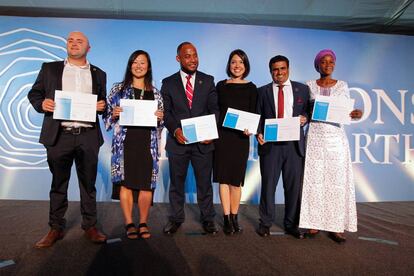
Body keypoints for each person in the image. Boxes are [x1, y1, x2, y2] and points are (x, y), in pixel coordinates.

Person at [28, 31, 107, 248]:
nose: (74, 43)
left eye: (79, 41)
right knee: (58, 183)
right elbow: (34, 94)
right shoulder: (50, 68)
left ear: (88, 48)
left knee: (88, 184)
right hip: (59, 135)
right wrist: (41, 103)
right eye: (70, 40)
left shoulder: (99, 73)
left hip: (88, 136)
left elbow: (102, 103)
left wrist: (102, 106)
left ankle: (90, 226)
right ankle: (55, 228)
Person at [299, 49, 361, 243]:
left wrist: (356, 114)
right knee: (314, 181)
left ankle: (335, 227)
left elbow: (348, 112)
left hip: (335, 138)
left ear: (334, 64)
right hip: (315, 137)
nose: (327, 65)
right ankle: (313, 224)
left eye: (331, 62)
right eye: (323, 62)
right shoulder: (309, 85)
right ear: (317, 65)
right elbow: (307, 112)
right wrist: (303, 118)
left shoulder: (343, 85)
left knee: (336, 182)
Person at [103, 50, 164, 239]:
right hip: (125, 144)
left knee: (146, 185)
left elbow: (161, 121)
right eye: (135, 62)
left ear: (148, 67)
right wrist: (113, 113)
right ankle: (129, 222)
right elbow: (106, 116)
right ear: (130, 65)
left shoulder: (155, 93)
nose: (139, 66)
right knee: (126, 184)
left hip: (148, 144)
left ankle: (143, 222)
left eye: (143, 63)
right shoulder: (118, 89)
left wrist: (160, 118)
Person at [162, 42, 219, 235]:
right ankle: (176, 218)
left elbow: (215, 110)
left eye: (195, 55)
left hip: (203, 144)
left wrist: (211, 132)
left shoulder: (208, 80)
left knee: (204, 183)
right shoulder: (168, 83)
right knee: (177, 183)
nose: (192, 59)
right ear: (178, 58)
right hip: (179, 142)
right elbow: (166, 113)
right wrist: (175, 129)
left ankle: (208, 218)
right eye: (187, 56)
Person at [256, 55, 310, 239]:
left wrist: (305, 119)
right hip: (271, 147)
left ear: (288, 69)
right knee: (268, 186)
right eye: (275, 69)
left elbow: (308, 112)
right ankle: (265, 223)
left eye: (282, 68)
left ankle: (292, 224)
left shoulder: (302, 89)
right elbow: (258, 117)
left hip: (294, 147)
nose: (279, 73)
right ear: (270, 71)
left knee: (293, 188)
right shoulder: (261, 91)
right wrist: (258, 133)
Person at [213, 49, 257, 235]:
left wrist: (251, 129)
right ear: (229, 65)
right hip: (222, 138)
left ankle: (234, 216)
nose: (237, 65)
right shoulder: (220, 86)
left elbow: (254, 113)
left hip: (240, 139)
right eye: (233, 62)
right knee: (223, 179)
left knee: (236, 182)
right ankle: (225, 219)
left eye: (240, 62)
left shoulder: (252, 88)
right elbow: (215, 111)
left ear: (245, 66)